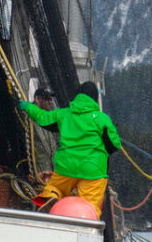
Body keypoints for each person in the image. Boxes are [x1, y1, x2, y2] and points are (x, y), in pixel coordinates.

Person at [18, 81, 120, 217]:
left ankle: (51, 197)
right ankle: (85, 220)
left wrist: (28, 107)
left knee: (55, 187)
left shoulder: (64, 114)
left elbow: (42, 118)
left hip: (66, 166)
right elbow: (114, 146)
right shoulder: (102, 119)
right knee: (90, 205)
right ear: (95, 99)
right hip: (92, 170)